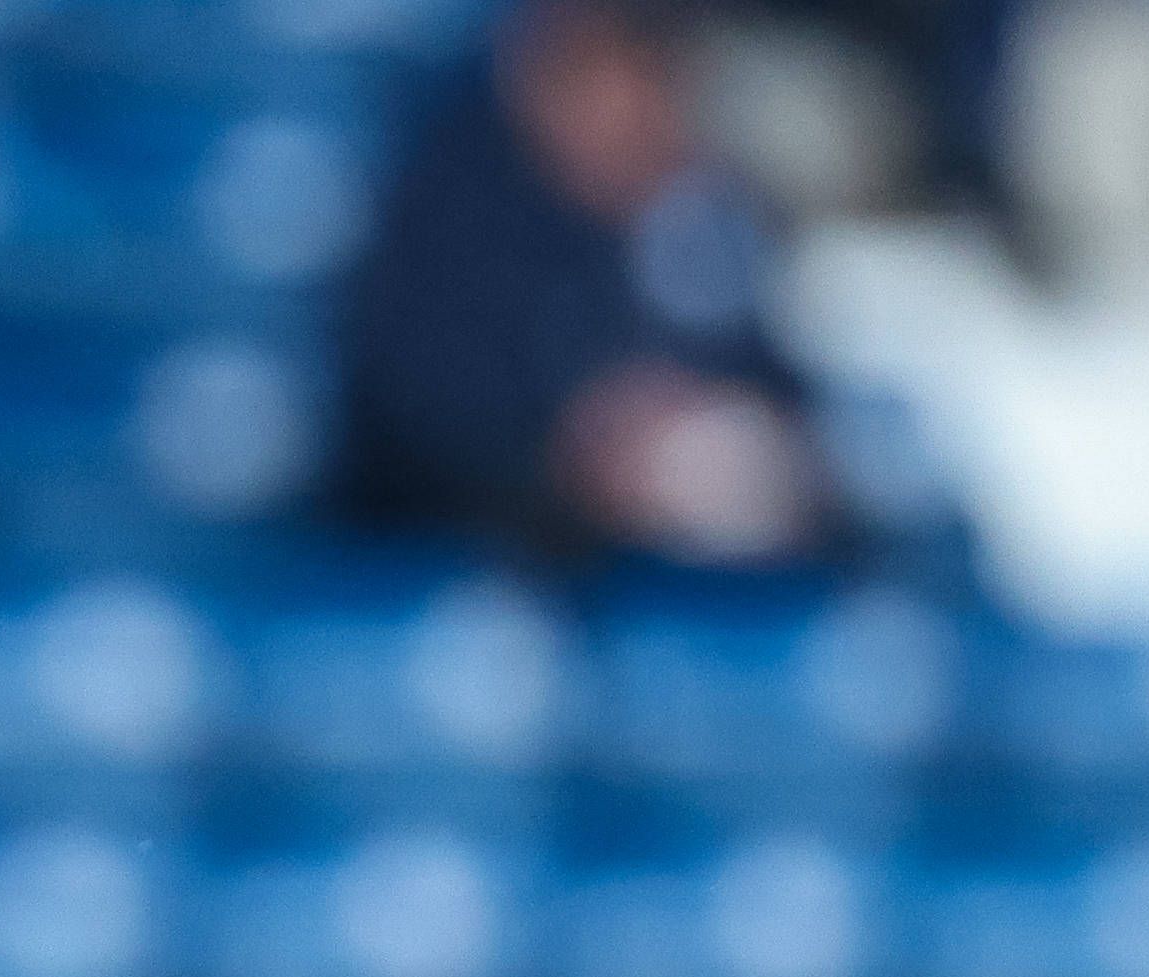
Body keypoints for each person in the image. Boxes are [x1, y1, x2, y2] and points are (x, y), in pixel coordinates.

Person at [333, 0, 834, 566]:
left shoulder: (708, 212)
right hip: (479, 565)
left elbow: (781, 394)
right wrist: (579, 453)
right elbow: (413, 425)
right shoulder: (449, 211)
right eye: (611, 77)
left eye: (659, 78)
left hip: (691, 582)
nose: (641, 111)